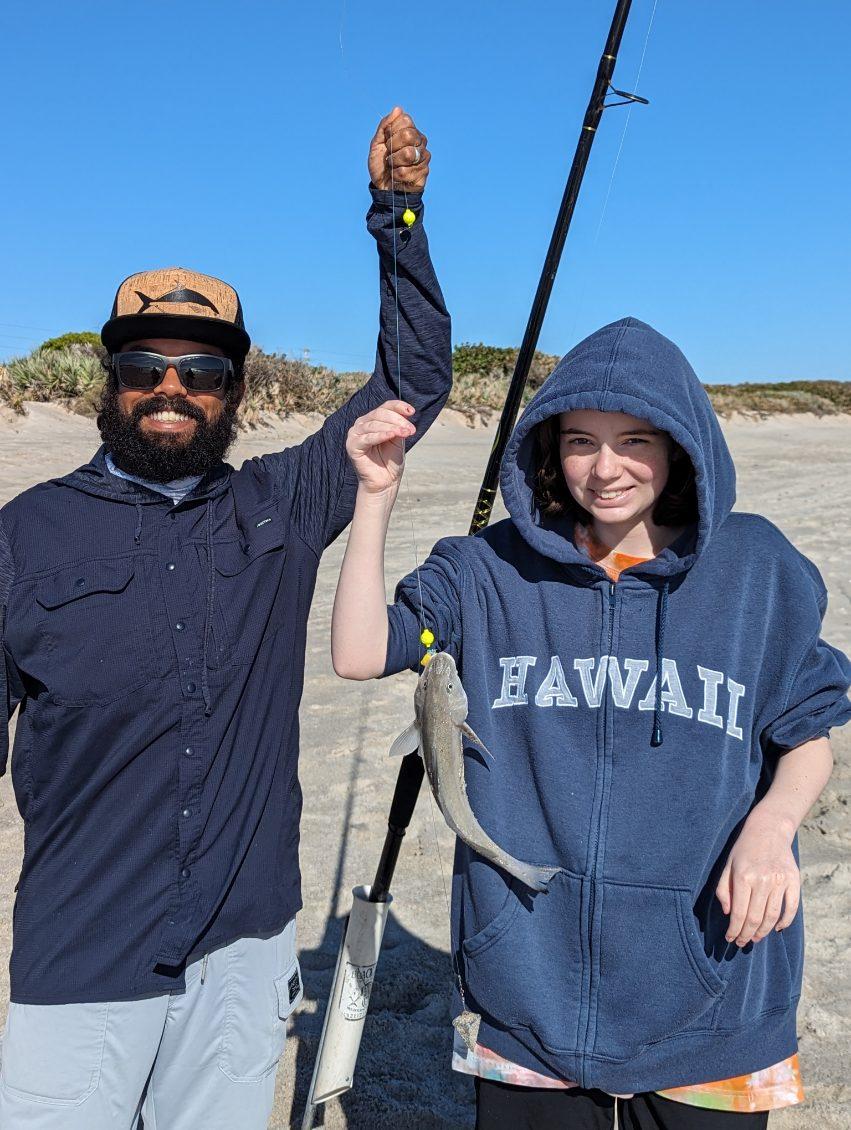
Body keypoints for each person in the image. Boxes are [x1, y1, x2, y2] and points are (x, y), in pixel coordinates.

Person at [0, 107, 450, 1128]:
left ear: (235, 390)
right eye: (143, 368)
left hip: (244, 949)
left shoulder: (280, 503)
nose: (171, 388)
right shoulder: (23, 534)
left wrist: (398, 217)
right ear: (108, 386)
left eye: (201, 372)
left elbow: (415, 380)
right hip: (77, 958)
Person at [331, 317, 850, 1129]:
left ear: (679, 446)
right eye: (580, 442)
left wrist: (771, 828)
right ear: (549, 447)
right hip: (527, 985)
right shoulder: (484, 569)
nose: (605, 470)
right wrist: (374, 497)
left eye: (634, 441)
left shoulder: (757, 569)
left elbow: (806, 731)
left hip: (713, 990)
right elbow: (360, 652)